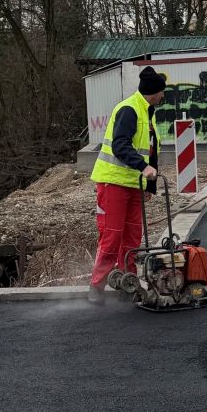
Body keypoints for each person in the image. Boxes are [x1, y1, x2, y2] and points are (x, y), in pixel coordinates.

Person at [88, 66, 167, 303]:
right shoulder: (129, 110)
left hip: (134, 185)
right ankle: (96, 287)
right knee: (112, 236)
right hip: (113, 182)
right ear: (154, 92)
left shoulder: (148, 113)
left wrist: (149, 187)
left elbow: (151, 151)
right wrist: (143, 168)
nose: (163, 96)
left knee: (132, 238)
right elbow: (120, 146)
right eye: (162, 92)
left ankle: (127, 283)